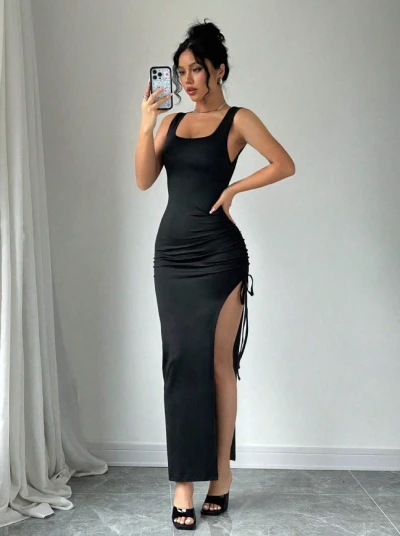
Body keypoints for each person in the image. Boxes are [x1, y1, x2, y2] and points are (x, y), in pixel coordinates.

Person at [135, 18, 295, 531]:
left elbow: (284, 163)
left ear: (219, 69)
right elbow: (143, 180)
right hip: (172, 258)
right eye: (181, 72)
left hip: (220, 259)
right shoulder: (170, 123)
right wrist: (146, 123)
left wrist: (233, 190)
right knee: (180, 364)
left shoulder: (239, 119)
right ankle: (184, 482)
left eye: (196, 70)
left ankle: (221, 476)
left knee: (220, 365)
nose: (187, 80)